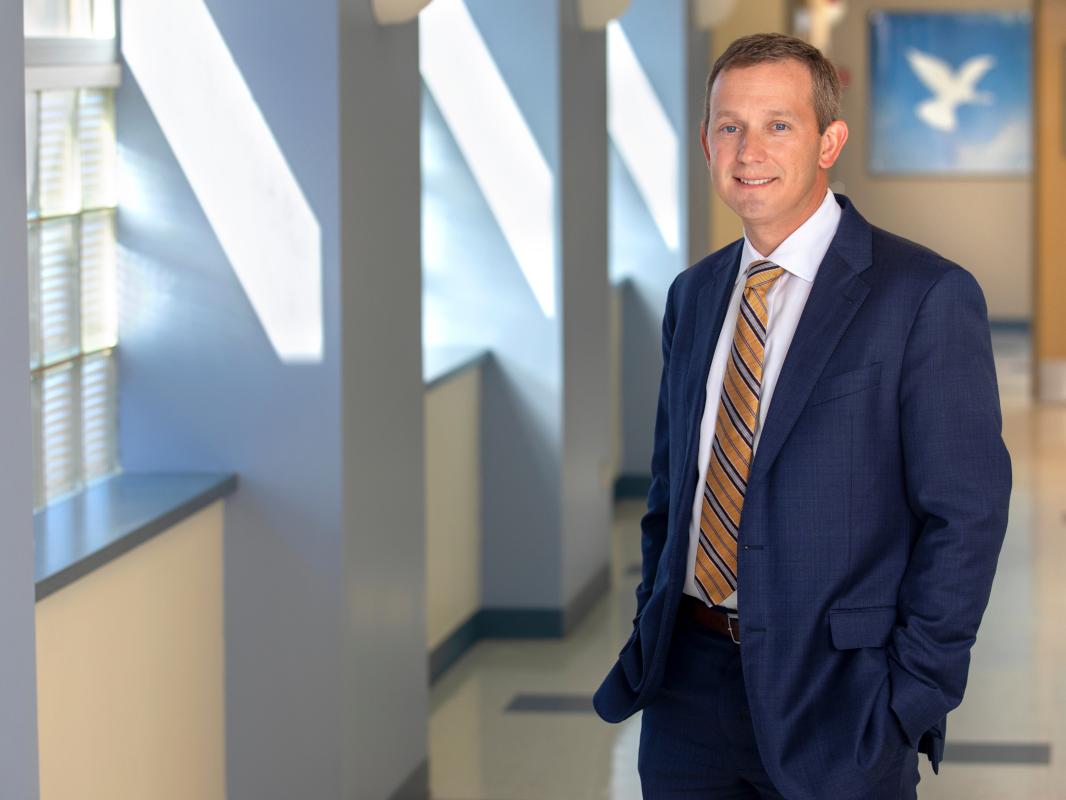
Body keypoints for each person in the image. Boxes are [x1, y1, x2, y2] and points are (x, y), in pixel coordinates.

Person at [593, 32, 1011, 799]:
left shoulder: (922, 297)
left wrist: (907, 698)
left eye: (778, 124)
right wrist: (652, 624)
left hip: (840, 699)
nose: (749, 149)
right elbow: (671, 491)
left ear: (830, 142)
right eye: (730, 126)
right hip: (686, 688)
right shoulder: (694, 295)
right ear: (706, 141)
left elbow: (968, 517)